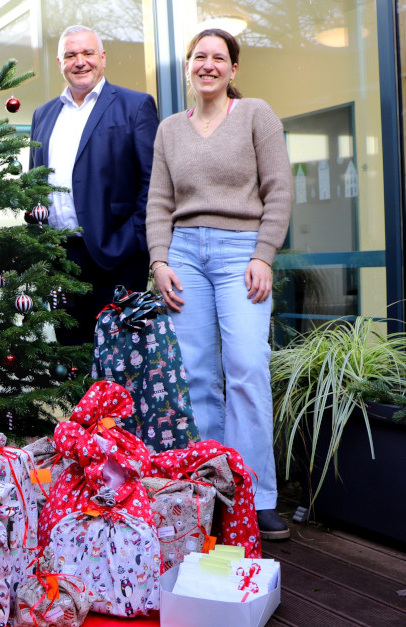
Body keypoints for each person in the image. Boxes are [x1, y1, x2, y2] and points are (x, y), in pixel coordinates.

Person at [145, 28, 293, 540]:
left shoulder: (256, 114)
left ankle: (258, 495)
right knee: (195, 376)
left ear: (233, 69)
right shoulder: (169, 130)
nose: (208, 64)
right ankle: (210, 491)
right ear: (188, 66)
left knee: (248, 366)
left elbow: (279, 191)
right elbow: (159, 203)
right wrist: (159, 260)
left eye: (219, 58)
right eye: (199, 57)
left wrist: (264, 254)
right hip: (184, 255)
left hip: (241, 254)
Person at [29, 25, 159, 346]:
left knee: (120, 362)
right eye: (71, 55)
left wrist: (133, 239)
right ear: (60, 62)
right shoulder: (43, 115)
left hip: (118, 257)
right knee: (73, 358)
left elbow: (154, 182)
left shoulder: (135, 105)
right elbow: (34, 184)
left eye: (88, 53)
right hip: (61, 261)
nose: (80, 61)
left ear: (102, 58)